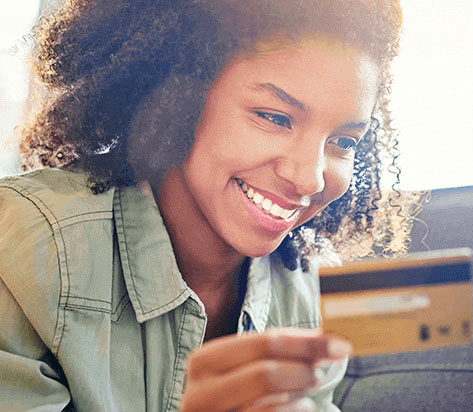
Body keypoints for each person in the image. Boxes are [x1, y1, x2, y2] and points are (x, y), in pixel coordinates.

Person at [0, 1, 418, 411]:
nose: (309, 177)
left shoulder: (306, 293)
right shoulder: (29, 248)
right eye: (274, 117)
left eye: (343, 142)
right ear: (180, 100)